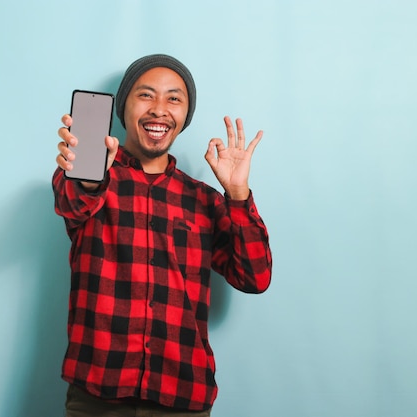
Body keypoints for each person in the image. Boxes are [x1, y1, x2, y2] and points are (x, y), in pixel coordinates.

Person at [52, 54, 272, 416]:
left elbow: (255, 277)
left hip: (182, 396)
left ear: (185, 115)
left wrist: (237, 194)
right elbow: (72, 203)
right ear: (124, 108)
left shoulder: (204, 200)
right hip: (97, 395)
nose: (159, 109)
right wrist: (90, 178)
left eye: (174, 98)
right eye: (146, 95)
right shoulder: (89, 177)